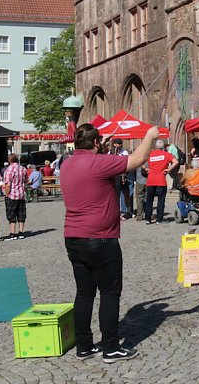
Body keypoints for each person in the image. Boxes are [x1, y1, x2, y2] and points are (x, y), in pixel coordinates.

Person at [60, 122, 158, 363]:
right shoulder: (100, 163)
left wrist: (99, 151)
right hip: (101, 238)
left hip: (73, 236)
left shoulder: (67, 163)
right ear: (96, 142)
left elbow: (91, 165)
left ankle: (84, 346)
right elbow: (138, 159)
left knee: (84, 293)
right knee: (110, 293)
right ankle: (111, 348)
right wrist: (150, 136)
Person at [144, 140, 178, 224]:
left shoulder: (150, 154)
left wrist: (145, 168)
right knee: (161, 200)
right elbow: (176, 161)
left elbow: (140, 160)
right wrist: (169, 169)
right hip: (161, 180)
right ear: (163, 147)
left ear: (155, 146)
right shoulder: (166, 154)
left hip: (151, 179)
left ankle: (148, 219)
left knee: (149, 200)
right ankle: (159, 219)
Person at [1, 153, 28, 240]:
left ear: (9, 160)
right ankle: (21, 232)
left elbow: (8, 184)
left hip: (12, 194)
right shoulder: (23, 169)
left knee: (11, 214)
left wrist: (6, 193)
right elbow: (26, 180)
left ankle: (12, 233)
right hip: (21, 194)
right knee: (21, 213)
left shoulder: (9, 170)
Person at [110, 139, 132, 219]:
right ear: (114, 144)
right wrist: (115, 154)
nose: (119, 145)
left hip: (123, 175)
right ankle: (116, 212)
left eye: (120, 143)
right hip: (116, 176)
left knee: (126, 194)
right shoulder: (110, 152)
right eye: (118, 143)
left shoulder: (124, 152)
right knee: (116, 195)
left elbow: (126, 161)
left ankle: (129, 211)